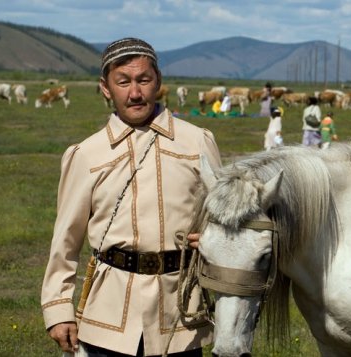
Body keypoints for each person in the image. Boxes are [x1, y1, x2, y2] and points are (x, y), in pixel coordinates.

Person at [41, 37, 222, 356]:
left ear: (159, 82)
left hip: (179, 316)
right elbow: (65, 241)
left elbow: (223, 224)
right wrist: (58, 309)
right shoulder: (86, 154)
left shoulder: (197, 143)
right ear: (106, 88)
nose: (135, 93)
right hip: (107, 317)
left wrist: (210, 238)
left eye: (144, 80)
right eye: (123, 82)